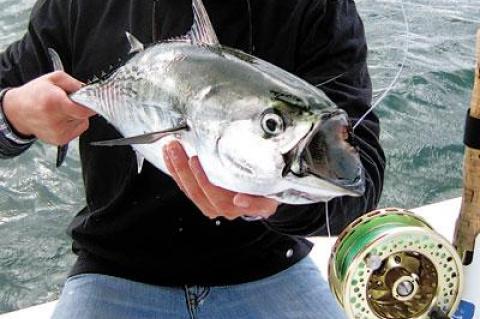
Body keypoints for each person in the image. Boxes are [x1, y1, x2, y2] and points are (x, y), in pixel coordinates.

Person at [0, 0, 385, 318]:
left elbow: (358, 179)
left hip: (269, 263)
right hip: (113, 268)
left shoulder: (315, 8)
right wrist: (15, 111)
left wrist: (276, 204)